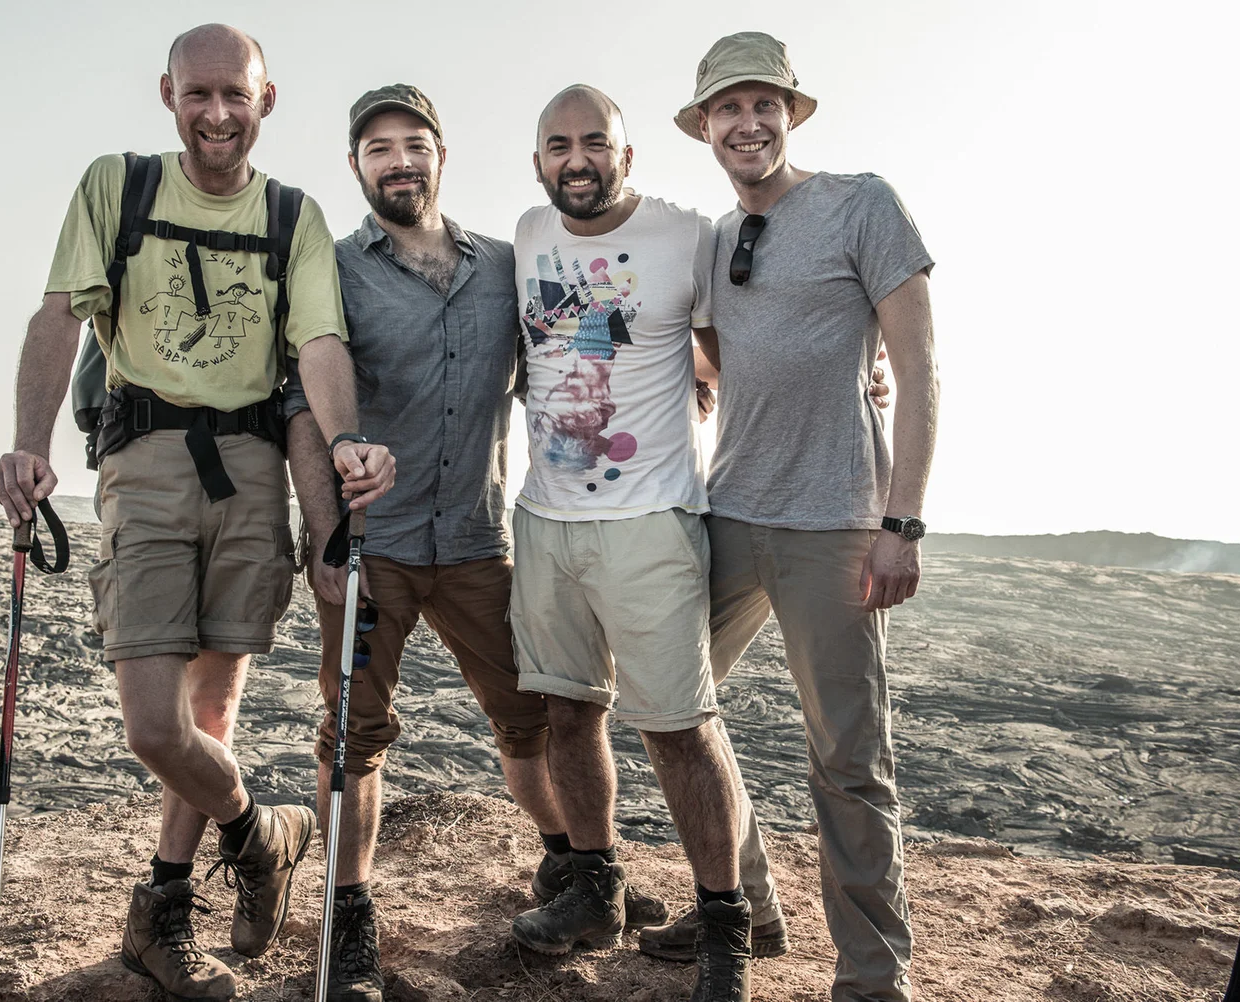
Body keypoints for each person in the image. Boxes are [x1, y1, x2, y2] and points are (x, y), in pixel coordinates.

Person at [0, 24, 393, 1002]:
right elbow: (59, 315)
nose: (217, 114)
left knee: (214, 709)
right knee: (155, 728)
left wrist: (343, 445)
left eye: (235, 95)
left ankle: (162, 911)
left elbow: (320, 346)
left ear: (266, 100)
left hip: (251, 471)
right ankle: (261, 834)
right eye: (198, 94)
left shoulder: (291, 216)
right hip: (145, 465)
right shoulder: (118, 186)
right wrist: (29, 442)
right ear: (168, 94)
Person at [286, 84, 665, 1002]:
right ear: (356, 166)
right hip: (371, 546)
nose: (399, 162)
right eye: (379, 149)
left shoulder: (504, 265)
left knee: (532, 720)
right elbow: (299, 404)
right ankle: (349, 919)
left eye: (414, 144)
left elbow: (581, 352)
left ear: (441, 156)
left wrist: (703, 368)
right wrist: (324, 533)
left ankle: (575, 869)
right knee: (353, 737)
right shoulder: (331, 270)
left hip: (476, 542)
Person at [647, 32, 941, 1002]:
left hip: (837, 526)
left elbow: (920, 369)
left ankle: (872, 980)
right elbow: (720, 354)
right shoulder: (712, 240)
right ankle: (747, 906)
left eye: (763, 104)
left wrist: (902, 522)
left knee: (848, 762)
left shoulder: (862, 204)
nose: (747, 123)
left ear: (789, 114)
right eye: (728, 108)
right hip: (729, 513)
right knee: (668, 704)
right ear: (704, 127)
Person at [504, 85, 749, 1002]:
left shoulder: (686, 235)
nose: (578, 159)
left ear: (626, 154)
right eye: (559, 144)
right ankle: (594, 888)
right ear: (538, 160)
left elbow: (734, 351)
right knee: (569, 713)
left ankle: (723, 927)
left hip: (650, 521)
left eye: (595, 142)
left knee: (680, 728)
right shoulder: (528, 235)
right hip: (547, 517)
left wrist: (860, 372)